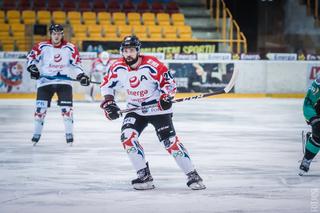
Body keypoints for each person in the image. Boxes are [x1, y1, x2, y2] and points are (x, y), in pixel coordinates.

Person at [100, 35, 205, 190]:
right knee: (127, 138)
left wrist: (166, 96)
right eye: (125, 50)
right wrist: (110, 103)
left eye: (132, 50)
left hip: (158, 109)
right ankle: (144, 176)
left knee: (169, 142)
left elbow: (169, 83)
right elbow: (106, 85)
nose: (128, 54)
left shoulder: (152, 64)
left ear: (138, 51)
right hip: (135, 109)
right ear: (122, 51)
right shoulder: (117, 67)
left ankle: (192, 175)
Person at [26, 24, 90, 145]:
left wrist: (81, 75)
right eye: (54, 33)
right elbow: (31, 58)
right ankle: (36, 135)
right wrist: (32, 67)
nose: (56, 36)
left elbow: (76, 65)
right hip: (45, 82)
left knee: (67, 111)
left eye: (59, 33)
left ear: (62, 34)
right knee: (40, 112)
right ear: (50, 34)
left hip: (64, 82)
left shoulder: (70, 48)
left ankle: (69, 135)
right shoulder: (41, 46)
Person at [299, 75, 320, 175]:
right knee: (319, 133)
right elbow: (307, 104)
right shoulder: (318, 83)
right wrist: (313, 119)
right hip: (318, 112)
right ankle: (307, 158)